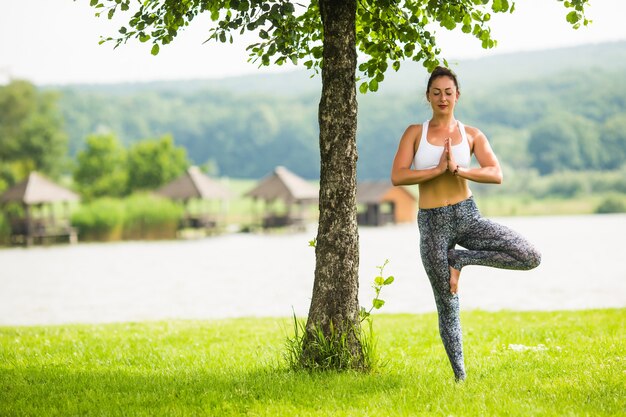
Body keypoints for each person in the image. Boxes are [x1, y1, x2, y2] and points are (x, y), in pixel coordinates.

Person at [390, 66, 542, 381]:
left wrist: (459, 170)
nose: (442, 98)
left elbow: (494, 173)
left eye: (448, 92)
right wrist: (436, 170)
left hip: (468, 216)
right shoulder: (414, 133)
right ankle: (461, 377)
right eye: (436, 92)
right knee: (447, 302)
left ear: (457, 95)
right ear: (428, 97)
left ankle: (461, 259)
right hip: (432, 224)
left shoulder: (471, 134)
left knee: (529, 256)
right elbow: (399, 175)